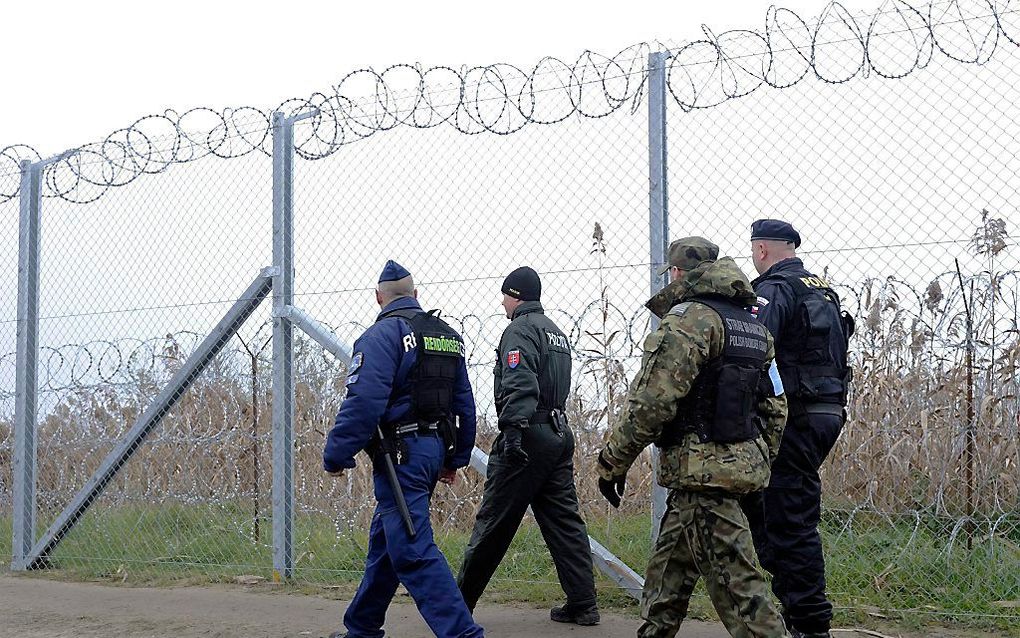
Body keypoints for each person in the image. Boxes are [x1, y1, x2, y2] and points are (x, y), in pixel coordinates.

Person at [596, 237, 790, 638]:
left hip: (701, 475)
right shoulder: (752, 327)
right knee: (666, 578)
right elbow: (776, 406)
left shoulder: (688, 320)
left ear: (679, 272)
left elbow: (652, 401)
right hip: (718, 474)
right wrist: (753, 459)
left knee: (742, 595)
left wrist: (613, 462)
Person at [323, 260, 484, 638]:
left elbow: (364, 402)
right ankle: (361, 628)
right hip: (431, 451)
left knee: (411, 547)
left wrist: (337, 454)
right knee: (388, 540)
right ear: (416, 294)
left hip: (401, 455)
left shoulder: (382, 336)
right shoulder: (446, 335)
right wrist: (455, 458)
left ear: (378, 298)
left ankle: (463, 634)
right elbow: (464, 404)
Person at [456, 266, 599, 626]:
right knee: (564, 521)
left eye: (505, 294)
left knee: (494, 523)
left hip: (528, 434)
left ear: (515, 295)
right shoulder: (556, 332)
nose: (502, 302)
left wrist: (514, 431)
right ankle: (584, 603)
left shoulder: (518, 330)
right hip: (558, 433)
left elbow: (520, 381)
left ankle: (456, 608)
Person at [740, 220, 854, 638]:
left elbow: (754, 348)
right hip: (828, 410)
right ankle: (790, 607)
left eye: (754, 250)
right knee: (770, 508)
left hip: (795, 414)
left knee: (789, 518)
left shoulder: (774, 289)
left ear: (763, 250)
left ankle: (809, 621)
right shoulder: (822, 288)